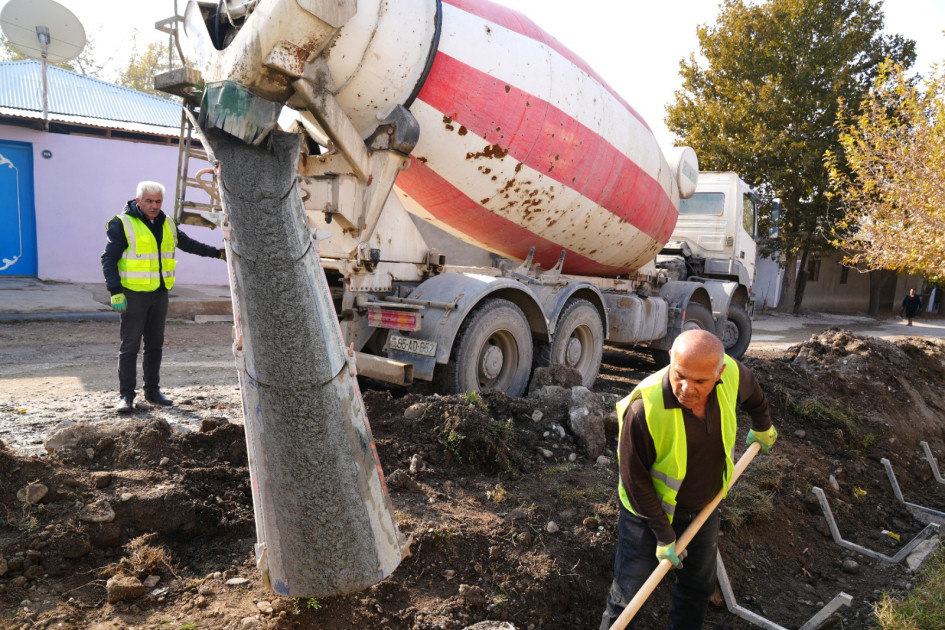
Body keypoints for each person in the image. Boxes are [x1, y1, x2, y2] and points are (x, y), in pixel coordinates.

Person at [600, 329, 777, 629]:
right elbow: (634, 479)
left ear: (718, 373)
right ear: (671, 358)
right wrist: (663, 533)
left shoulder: (730, 374)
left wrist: (763, 424)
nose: (686, 387)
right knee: (628, 596)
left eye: (700, 381)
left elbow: (752, 389)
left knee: (697, 588)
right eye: (680, 375)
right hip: (646, 515)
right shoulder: (644, 409)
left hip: (704, 508)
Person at [101, 181, 225, 413]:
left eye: (158, 201)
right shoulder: (122, 224)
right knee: (130, 346)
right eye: (149, 201)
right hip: (133, 294)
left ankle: (152, 391)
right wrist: (115, 291)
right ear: (138, 201)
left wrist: (217, 254)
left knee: (155, 345)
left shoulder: (167, 222)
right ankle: (126, 396)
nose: (154, 206)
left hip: (159, 293)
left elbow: (187, 244)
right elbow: (108, 259)